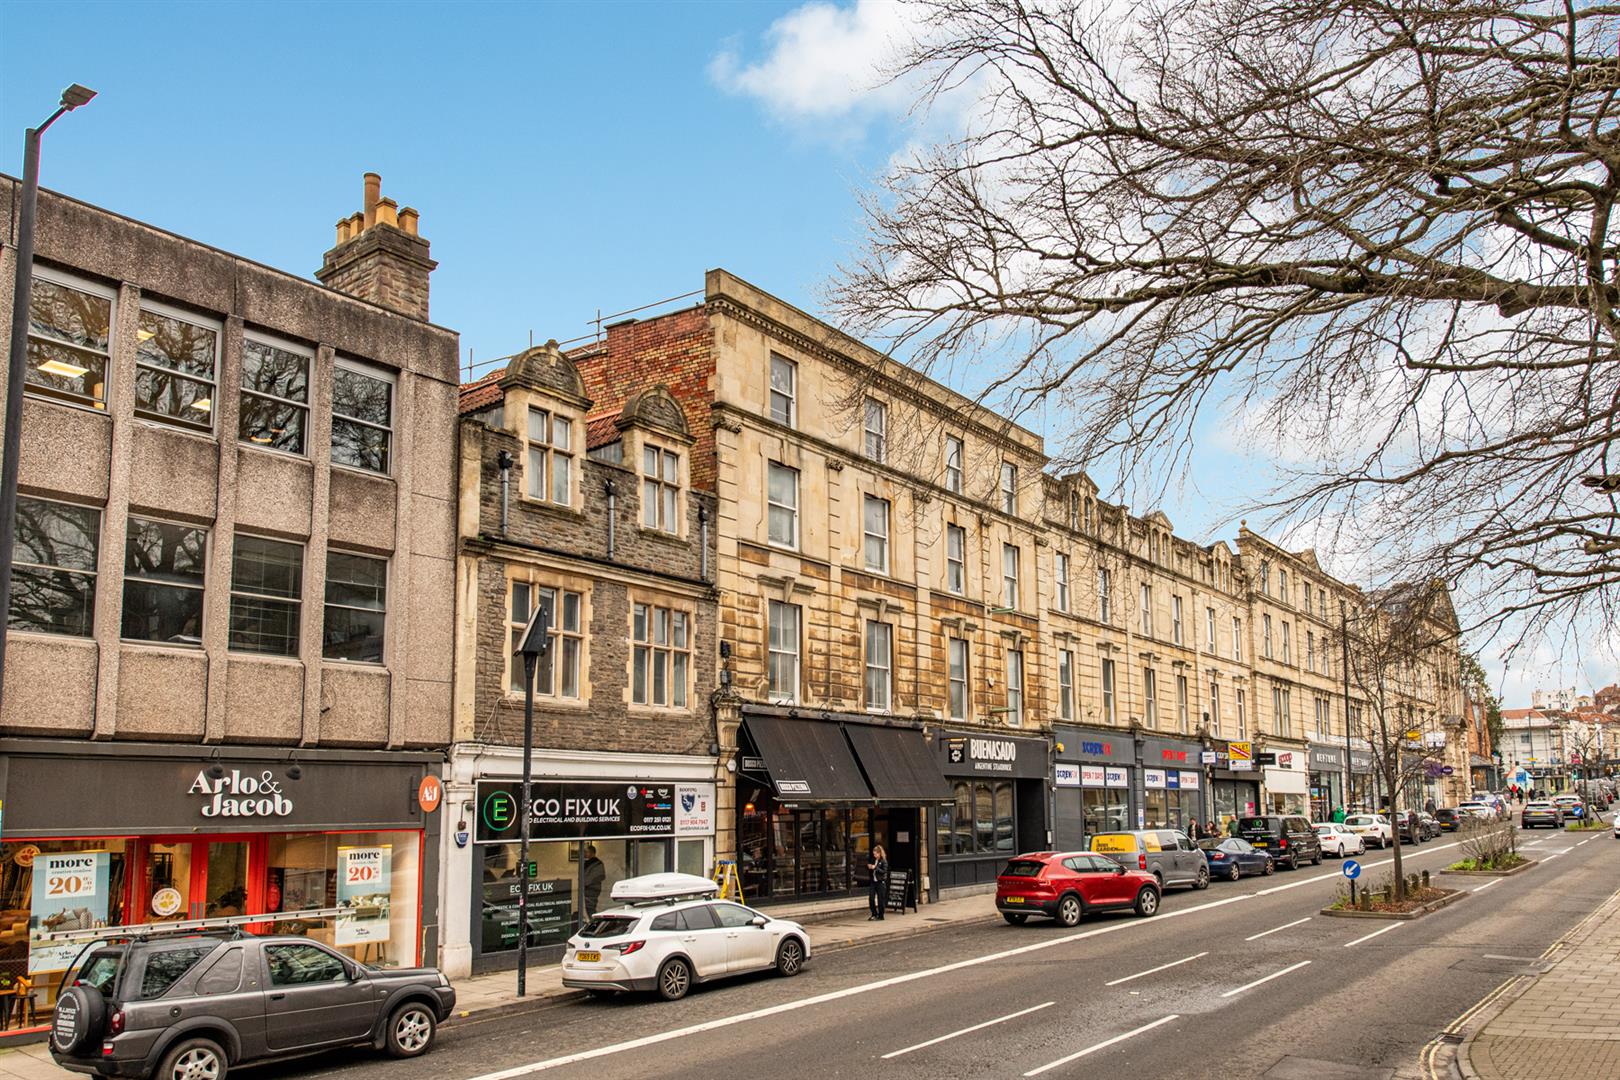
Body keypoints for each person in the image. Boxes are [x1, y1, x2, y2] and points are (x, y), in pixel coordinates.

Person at [580, 844, 605, 920]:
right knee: (590, 907)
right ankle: (593, 922)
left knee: (590, 908)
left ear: (592, 853)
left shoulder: (596, 864)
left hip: (592, 888)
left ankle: (593, 923)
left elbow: (599, 876)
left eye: (586, 852)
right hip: (591, 888)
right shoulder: (591, 863)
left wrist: (586, 883)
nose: (585, 854)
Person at [867, 844, 889, 921]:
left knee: (881, 900)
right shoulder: (873, 860)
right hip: (873, 882)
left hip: (880, 882)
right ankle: (874, 914)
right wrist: (869, 867)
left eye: (875, 854)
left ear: (879, 853)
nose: (874, 855)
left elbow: (884, 871)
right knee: (871, 898)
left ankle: (881, 915)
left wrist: (875, 867)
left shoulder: (884, 861)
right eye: (874, 854)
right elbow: (871, 869)